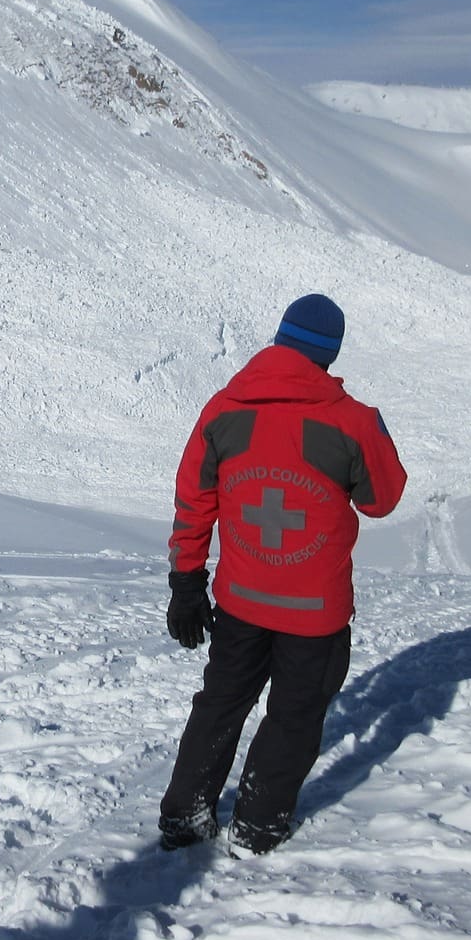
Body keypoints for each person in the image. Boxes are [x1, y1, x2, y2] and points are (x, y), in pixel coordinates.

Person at [161, 294, 408, 855]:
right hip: (314, 615)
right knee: (294, 717)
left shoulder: (224, 409)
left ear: (278, 339)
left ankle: (185, 814)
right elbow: (382, 499)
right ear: (331, 352)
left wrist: (186, 582)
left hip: (240, 602)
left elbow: (194, 499)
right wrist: (376, 435)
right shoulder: (352, 421)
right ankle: (258, 826)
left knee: (220, 703)